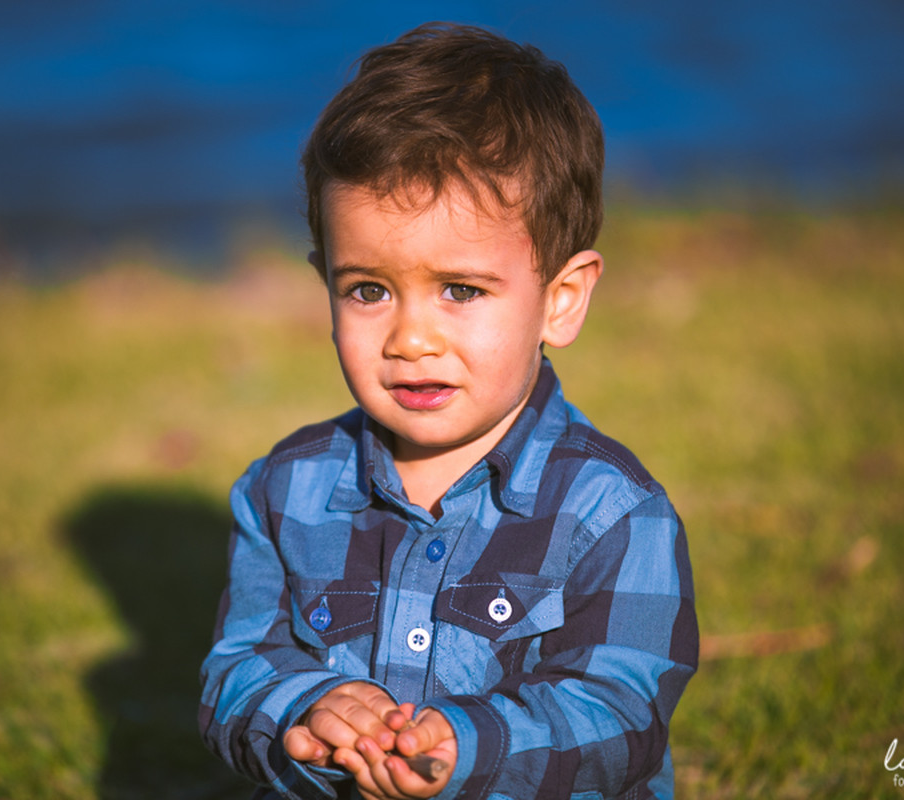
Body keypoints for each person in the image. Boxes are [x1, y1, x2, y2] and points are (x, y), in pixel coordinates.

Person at [199, 21, 698, 800]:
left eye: (460, 290)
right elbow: (237, 668)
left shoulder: (615, 513)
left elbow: (620, 715)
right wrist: (305, 711)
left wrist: (465, 745)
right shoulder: (282, 490)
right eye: (368, 289)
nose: (411, 338)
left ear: (559, 301)